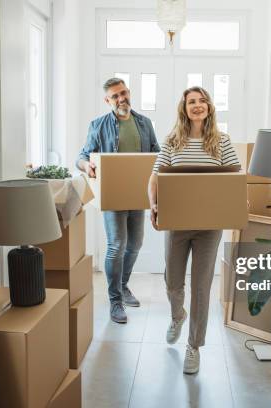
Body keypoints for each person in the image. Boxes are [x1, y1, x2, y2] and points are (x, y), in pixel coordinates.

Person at [147, 86, 240, 374]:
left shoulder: (221, 142)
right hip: (177, 224)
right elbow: (155, 177)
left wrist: (238, 203)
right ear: (184, 108)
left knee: (201, 287)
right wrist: (153, 205)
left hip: (209, 227)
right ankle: (177, 316)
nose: (197, 105)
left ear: (210, 107)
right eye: (191, 102)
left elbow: (235, 178)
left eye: (202, 101)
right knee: (173, 281)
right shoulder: (173, 141)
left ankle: (194, 346)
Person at [77, 77, 160, 324]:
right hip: (113, 195)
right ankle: (115, 301)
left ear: (129, 92)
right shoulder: (98, 124)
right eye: (115, 96)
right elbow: (82, 155)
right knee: (116, 245)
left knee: (135, 244)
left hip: (139, 194)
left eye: (123, 93)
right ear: (107, 100)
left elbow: (157, 152)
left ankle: (123, 286)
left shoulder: (144, 123)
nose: (121, 98)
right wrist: (86, 165)